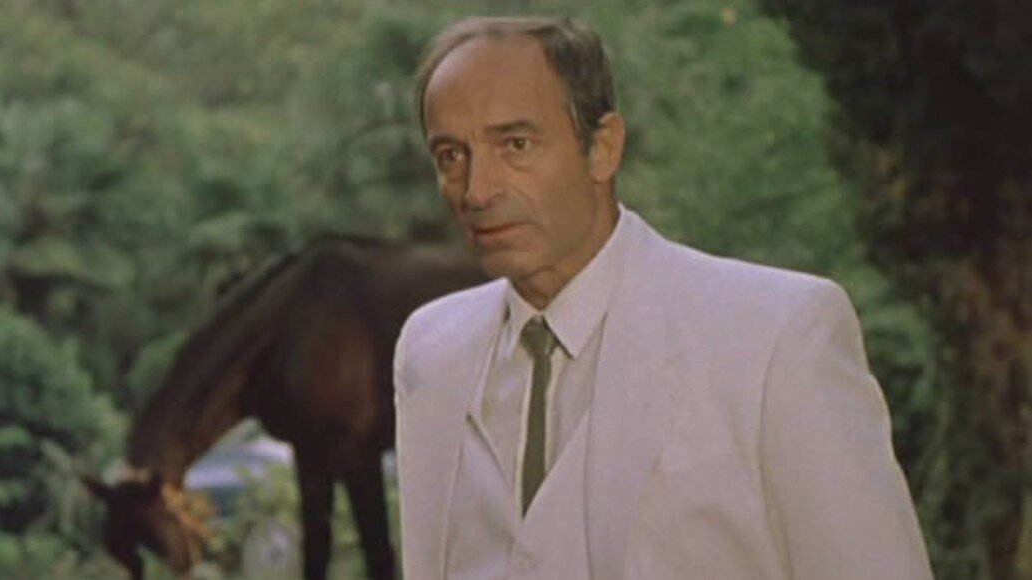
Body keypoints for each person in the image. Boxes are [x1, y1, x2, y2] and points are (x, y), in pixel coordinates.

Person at [393, 15, 934, 580]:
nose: (478, 190)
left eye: (516, 145)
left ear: (603, 148)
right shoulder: (431, 350)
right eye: (451, 155)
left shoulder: (776, 334)